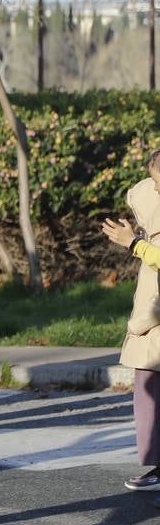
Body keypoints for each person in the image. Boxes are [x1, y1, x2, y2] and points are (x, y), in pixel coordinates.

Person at [101, 148, 160, 502]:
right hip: (151, 312)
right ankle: (156, 464)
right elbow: (137, 192)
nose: (156, 189)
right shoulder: (148, 197)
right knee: (147, 385)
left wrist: (134, 244)